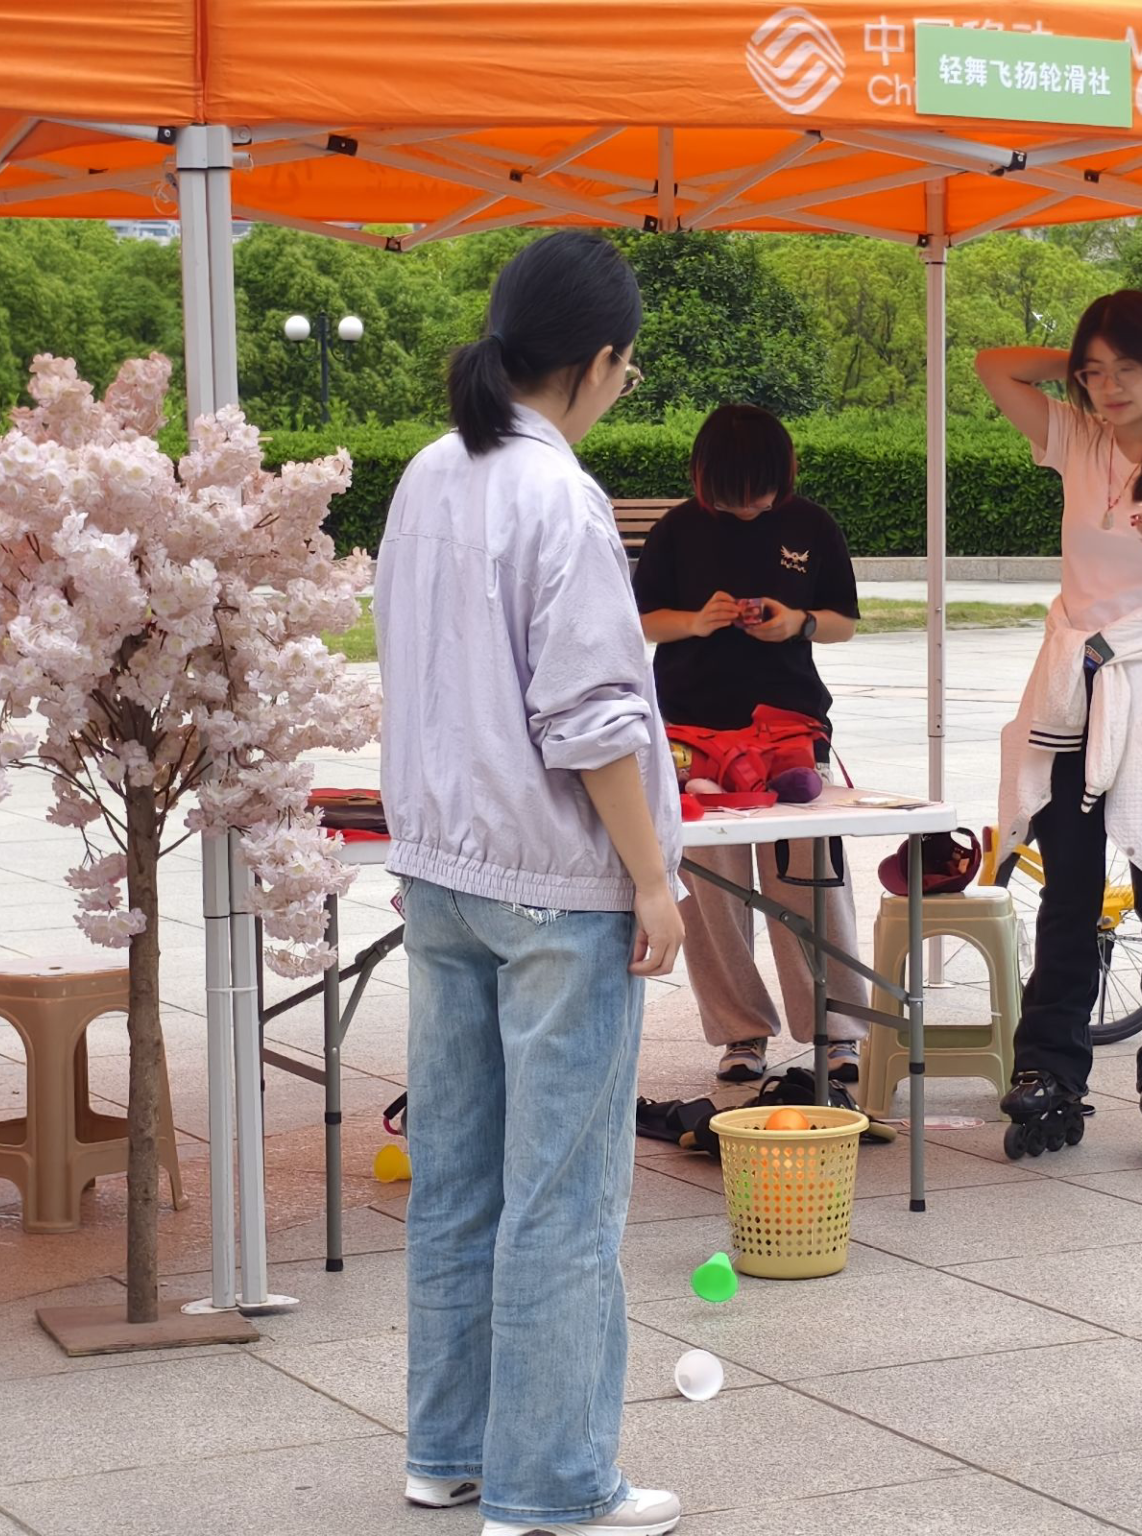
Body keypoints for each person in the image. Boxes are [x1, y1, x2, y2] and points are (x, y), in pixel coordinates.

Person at [376, 231, 685, 1536]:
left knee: (456, 1179)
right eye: (625, 369)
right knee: (561, 1195)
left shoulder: (427, 474)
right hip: (556, 882)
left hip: (441, 872)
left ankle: (448, 1451)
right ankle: (551, 1483)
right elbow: (595, 719)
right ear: (600, 361)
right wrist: (654, 880)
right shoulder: (561, 497)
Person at [976, 290, 1142, 1176]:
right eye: (1095, 373)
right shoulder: (1078, 437)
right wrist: (1077, 361)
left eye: (1127, 368)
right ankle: (1049, 1068)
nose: (1109, 387)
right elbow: (991, 367)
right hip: (1075, 682)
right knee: (1069, 887)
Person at [633, 405, 868, 1087]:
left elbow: (844, 623)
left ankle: (837, 1030)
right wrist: (696, 621)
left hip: (789, 726)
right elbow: (643, 620)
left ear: (783, 475)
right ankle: (740, 1030)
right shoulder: (678, 529)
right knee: (711, 891)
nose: (749, 507)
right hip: (691, 731)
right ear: (705, 479)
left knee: (812, 880)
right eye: (734, 496)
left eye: (761, 494)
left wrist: (798, 622)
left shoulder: (811, 525)